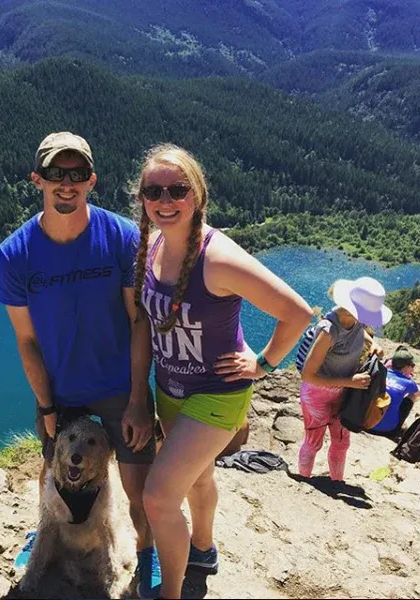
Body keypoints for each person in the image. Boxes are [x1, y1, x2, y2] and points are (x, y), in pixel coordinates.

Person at [131, 143, 313, 600]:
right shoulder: (153, 246)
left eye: (178, 189)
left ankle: (171, 594)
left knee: (158, 497)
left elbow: (297, 312)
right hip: (171, 389)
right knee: (198, 476)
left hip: (217, 392)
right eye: (154, 191)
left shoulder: (219, 257)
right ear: (142, 198)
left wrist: (264, 363)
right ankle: (204, 549)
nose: (165, 201)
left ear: (198, 195)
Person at [0, 132, 161, 596]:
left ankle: (147, 552)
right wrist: (47, 406)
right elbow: (26, 340)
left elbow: (138, 320)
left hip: (115, 385)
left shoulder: (121, 237)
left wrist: (136, 399)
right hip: (61, 388)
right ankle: (45, 530)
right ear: (37, 179)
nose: (65, 184)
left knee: (139, 486)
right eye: (54, 174)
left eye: (75, 175)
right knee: (50, 469)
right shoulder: (15, 254)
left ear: (91, 180)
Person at [298, 277, 389, 482]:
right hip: (318, 395)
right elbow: (308, 375)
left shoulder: (356, 321)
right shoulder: (329, 330)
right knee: (314, 441)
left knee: (341, 442)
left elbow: (361, 334)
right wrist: (349, 381)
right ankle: (303, 484)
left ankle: (336, 482)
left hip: (343, 392)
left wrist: (372, 343)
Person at [369, 346, 420, 438]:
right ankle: (397, 426)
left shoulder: (380, 373)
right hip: (387, 430)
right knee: (412, 396)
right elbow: (419, 392)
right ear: (405, 367)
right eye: (412, 366)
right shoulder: (408, 382)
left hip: (364, 424)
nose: (413, 368)